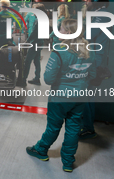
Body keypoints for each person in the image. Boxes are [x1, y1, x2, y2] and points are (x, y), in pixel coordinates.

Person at [26, 19, 96, 173]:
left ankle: (41, 150)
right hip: (79, 97)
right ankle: (68, 162)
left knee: (53, 127)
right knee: (73, 129)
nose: (59, 32)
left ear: (69, 33)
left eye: (61, 29)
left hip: (60, 98)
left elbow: (49, 79)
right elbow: (93, 74)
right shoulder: (89, 51)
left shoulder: (59, 52)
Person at [79, 0, 110, 140]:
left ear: (97, 0)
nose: (86, 1)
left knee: (84, 95)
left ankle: (88, 128)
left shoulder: (101, 16)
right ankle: (88, 126)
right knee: (88, 95)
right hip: (94, 59)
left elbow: (87, 35)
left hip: (94, 61)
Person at [17, 3, 46, 87]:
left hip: (35, 43)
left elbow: (34, 33)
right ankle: (37, 78)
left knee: (27, 61)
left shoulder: (38, 20)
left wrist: (27, 41)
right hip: (40, 42)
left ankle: (23, 80)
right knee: (37, 61)